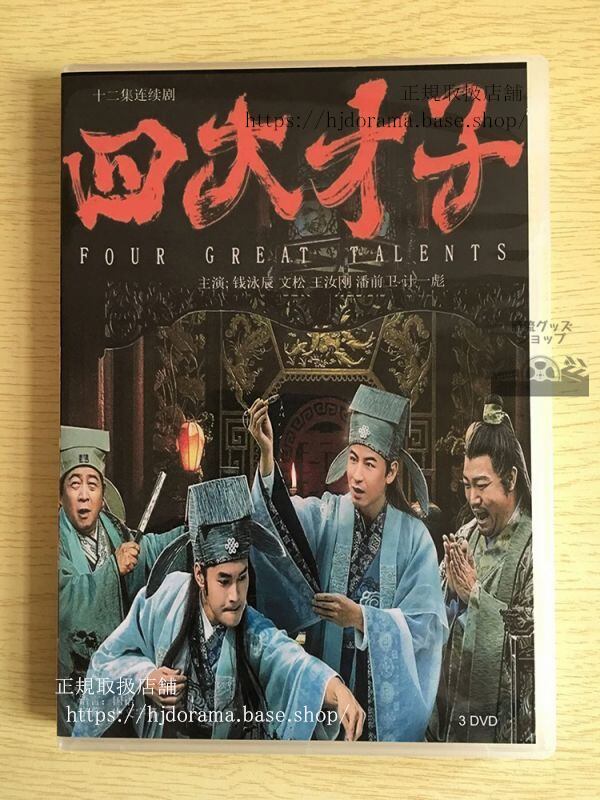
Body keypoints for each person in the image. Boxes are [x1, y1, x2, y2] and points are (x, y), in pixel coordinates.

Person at [72, 476, 365, 741]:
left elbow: (290, 661)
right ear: (200, 575)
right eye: (223, 581)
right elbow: (109, 660)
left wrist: (337, 691)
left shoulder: (250, 626)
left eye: (242, 577)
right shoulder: (165, 599)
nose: (235, 595)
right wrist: (147, 680)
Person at [247, 385, 447, 741]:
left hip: (385, 706)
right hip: (329, 695)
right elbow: (279, 527)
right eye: (353, 459)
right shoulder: (326, 515)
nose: (356, 474)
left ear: (391, 472)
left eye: (369, 464)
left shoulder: (415, 539)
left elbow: (426, 627)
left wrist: (360, 618)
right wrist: (266, 455)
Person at [58, 425, 184, 735]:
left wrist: (189, 533)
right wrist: (113, 569)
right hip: (74, 684)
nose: (84, 495)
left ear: (102, 495)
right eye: (74, 484)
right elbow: (63, 599)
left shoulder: (114, 529)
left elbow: (148, 550)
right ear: (61, 496)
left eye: (92, 484)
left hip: (120, 677)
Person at [429, 395, 534, 743]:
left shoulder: (535, 548)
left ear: (511, 479)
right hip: (454, 707)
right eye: (466, 485)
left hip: (503, 727)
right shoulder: (465, 536)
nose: (472, 499)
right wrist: (448, 594)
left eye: (482, 485)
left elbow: (534, 643)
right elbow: (434, 620)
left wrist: (476, 597)